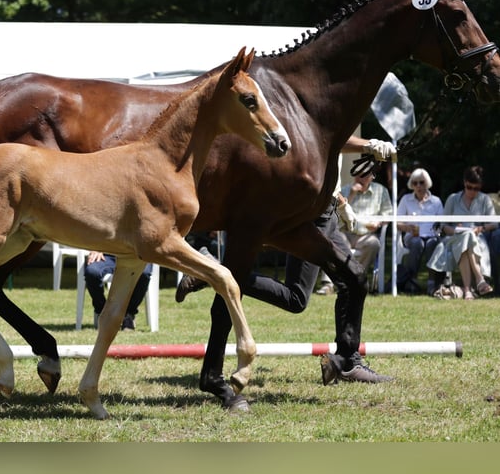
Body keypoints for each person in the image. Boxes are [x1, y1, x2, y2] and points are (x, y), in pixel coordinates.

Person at [177, 136, 396, 384]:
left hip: (326, 207)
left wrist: (341, 201)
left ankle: (347, 360)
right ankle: (214, 272)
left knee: (352, 278)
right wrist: (367, 145)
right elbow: (323, 139)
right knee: (298, 297)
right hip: (316, 213)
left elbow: (328, 147)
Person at [427, 165, 497, 300]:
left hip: (476, 239)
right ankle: (479, 279)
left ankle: (467, 290)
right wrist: (454, 230)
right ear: (464, 183)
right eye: (469, 187)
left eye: (476, 189)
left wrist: (480, 228)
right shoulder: (453, 199)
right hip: (454, 238)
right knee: (465, 236)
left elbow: (493, 224)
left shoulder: (485, 200)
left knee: (468, 237)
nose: (472, 191)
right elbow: (443, 226)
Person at [331, 169, 393, 293]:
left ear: (372, 177)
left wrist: (378, 223)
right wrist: (352, 194)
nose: (360, 178)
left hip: (366, 234)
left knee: (374, 243)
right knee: (334, 242)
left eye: (364, 175)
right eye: (357, 175)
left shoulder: (381, 191)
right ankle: (342, 281)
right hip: (346, 233)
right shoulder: (345, 190)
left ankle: (357, 278)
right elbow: (336, 215)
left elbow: (388, 215)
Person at [395, 168, 443, 294]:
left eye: (421, 182)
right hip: (413, 236)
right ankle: (412, 281)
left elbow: (441, 223)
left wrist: (436, 230)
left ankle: (432, 283)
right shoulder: (405, 199)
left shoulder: (436, 201)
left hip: (431, 235)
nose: (418, 186)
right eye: (415, 183)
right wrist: (406, 227)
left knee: (432, 244)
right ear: (411, 185)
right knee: (417, 243)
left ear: (427, 183)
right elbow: (397, 222)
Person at [84, 251, 151, 330]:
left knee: (144, 273)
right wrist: (95, 248)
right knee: (92, 272)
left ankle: (128, 314)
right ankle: (103, 313)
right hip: (106, 255)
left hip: (135, 256)